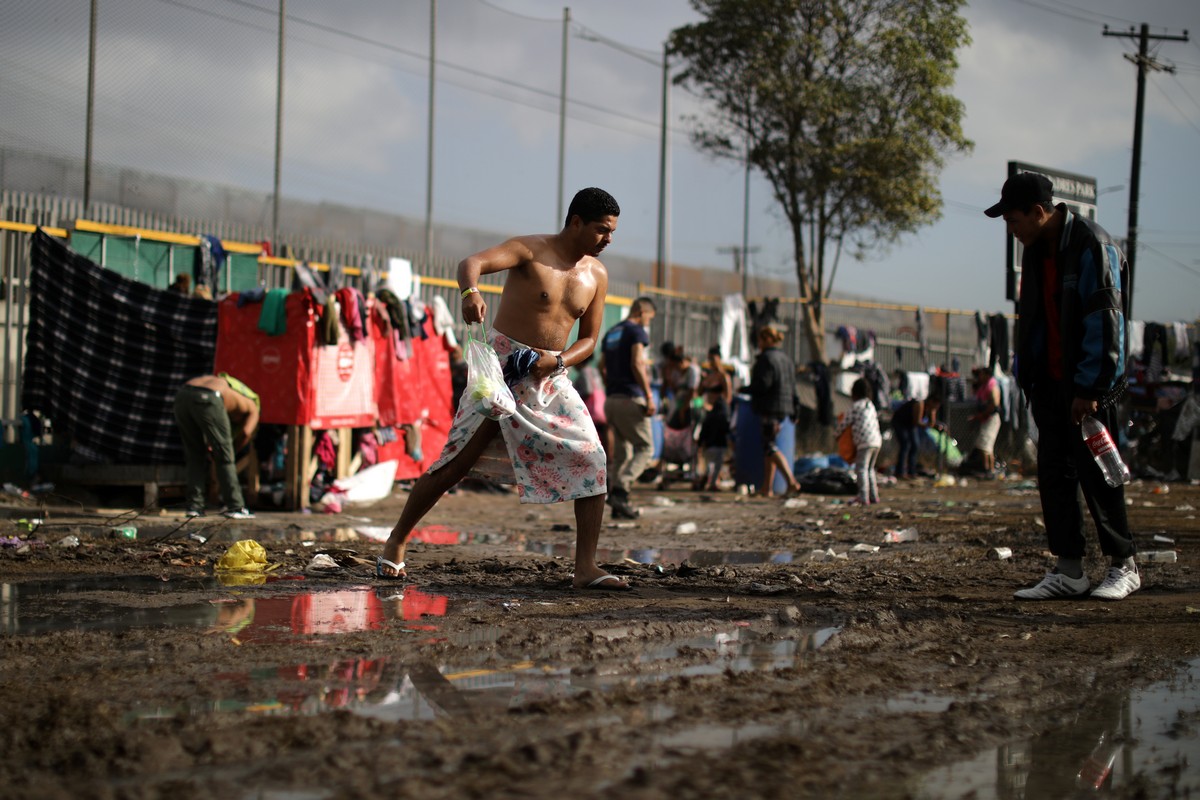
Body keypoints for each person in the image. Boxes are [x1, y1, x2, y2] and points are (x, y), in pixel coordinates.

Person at [379, 187, 629, 590]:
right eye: (602, 230)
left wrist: (559, 361)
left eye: (612, 232)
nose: (608, 240)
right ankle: (396, 541)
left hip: (550, 374)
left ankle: (585, 567)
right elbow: (471, 263)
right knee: (457, 460)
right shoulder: (529, 250)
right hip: (500, 370)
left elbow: (589, 340)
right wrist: (469, 292)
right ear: (577, 222)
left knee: (593, 456)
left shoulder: (596, 275)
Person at [985, 171, 1138, 601]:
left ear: (1037, 212)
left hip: (1089, 388)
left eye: (1013, 221)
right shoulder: (1036, 252)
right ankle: (1070, 571)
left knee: (1099, 475)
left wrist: (1089, 387)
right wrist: (1030, 380)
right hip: (1050, 387)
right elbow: (1033, 323)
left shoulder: (1092, 244)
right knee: (1054, 477)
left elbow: (1106, 321)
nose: (1011, 231)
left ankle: (1124, 565)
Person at [601, 296, 658, 520]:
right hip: (630, 398)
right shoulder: (636, 332)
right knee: (645, 448)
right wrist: (649, 396)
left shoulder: (612, 332)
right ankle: (621, 489)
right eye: (649, 318)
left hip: (612, 400)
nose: (648, 323)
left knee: (623, 452)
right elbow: (637, 363)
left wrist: (611, 388)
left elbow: (601, 366)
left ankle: (618, 504)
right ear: (641, 312)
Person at [173, 373, 260, 519]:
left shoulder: (227, 387)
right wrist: (229, 451)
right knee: (226, 458)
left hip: (182, 395)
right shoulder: (253, 407)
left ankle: (194, 507)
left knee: (194, 455)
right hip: (209, 397)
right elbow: (245, 432)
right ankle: (235, 506)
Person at [748, 325, 802, 497]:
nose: (759, 343)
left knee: (769, 447)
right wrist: (796, 409)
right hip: (784, 408)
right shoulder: (786, 359)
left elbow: (763, 384)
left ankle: (791, 482)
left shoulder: (766, 359)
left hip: (769, 407)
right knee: (769, 447)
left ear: (766, 340)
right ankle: (767, 488)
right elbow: (793, 387)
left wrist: (745, 389)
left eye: (760, 340)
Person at [836, 378, 882, 505]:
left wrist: (837, 434)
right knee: (870, 469)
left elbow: (845, 422)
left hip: (864, 442)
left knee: (861, 469)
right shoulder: (870, 405)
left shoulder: (856, 406)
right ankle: (873, 496)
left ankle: (863, 496)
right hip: (876, 441)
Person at [891, 383, 941, 480]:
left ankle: (912, 471)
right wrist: (928, 424)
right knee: (906, 444)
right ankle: (900, 472)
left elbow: (930, 423)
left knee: (915, 445)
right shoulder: (919, 404)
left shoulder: (931, 409)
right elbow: (917, 421)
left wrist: (932, 413)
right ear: (931, 401)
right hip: (900, 421)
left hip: (910, 425)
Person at [969, 365, 1002, 475]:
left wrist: (983, 414)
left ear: (987, 375)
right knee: (983, 444)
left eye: (982, 374)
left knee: (986, 445)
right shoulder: (983, 385)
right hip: (985, 418)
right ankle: (986, 468)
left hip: (991, 418)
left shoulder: (992, 386)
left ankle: (990, 470)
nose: (980, 376)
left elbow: (994, 404)